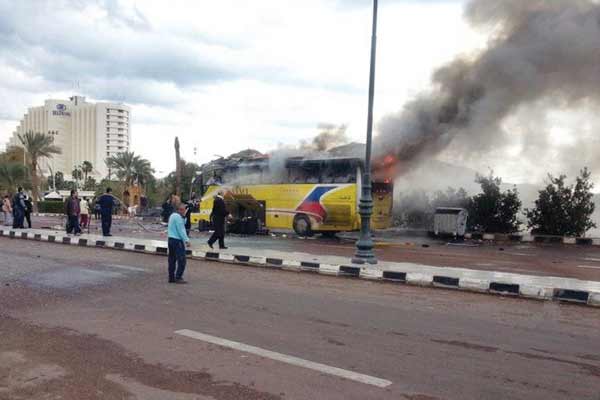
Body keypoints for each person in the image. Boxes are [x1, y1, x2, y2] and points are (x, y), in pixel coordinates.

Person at [167, 203, 190, 284]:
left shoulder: (172, 216)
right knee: (182, 260)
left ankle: (171, 277)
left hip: (171, 239)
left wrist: (183, 217)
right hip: (177, 240)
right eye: (183, 210)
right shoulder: (178, 217)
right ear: (180, 210)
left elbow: (182, 224)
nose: (185, 211)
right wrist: (187, 240)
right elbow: (181, 230)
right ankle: (178, 277)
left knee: (172, 259)